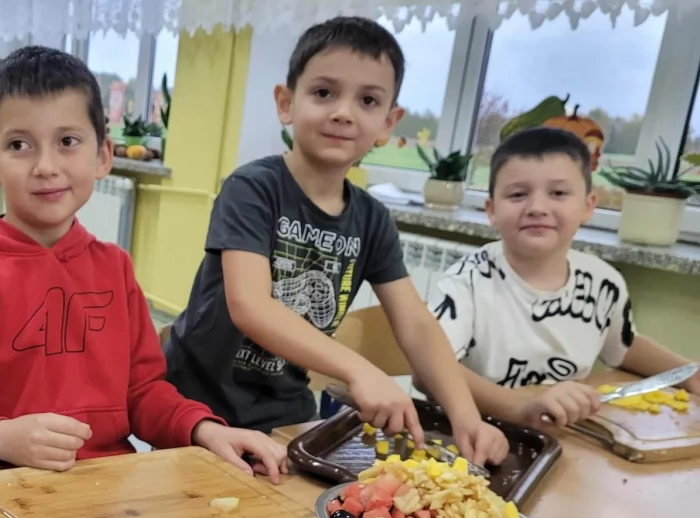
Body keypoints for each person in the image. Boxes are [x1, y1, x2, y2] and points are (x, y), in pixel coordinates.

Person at [0, 46, 288, 482]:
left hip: (107, 497)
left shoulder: (115, 269)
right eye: (19, 145)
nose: (45, 166)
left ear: (102, 156)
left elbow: (143, 393)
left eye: (67, 142)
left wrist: (205, 429)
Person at [163, 17, 510, 465]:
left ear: (388, 122)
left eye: (367, 100)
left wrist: (466, 416)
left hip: (287, 414)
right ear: (286, 103)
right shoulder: (253, 188)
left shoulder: (373, 219)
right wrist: (358, 368)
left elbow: (417, 326)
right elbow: (250, 306)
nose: (343, 112)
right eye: (323, 92)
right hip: (198, 409)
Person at [430, 127, 699, 428]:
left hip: (568, 435)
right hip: (474, 437)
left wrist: (688, 371)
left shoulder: (604, 282)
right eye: (518, 194)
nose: (537, 208)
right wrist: (520, 407)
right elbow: (430, 370)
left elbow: (622, 346)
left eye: (558, 193)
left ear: (588, 206)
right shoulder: (465, 283)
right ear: (491, 210)